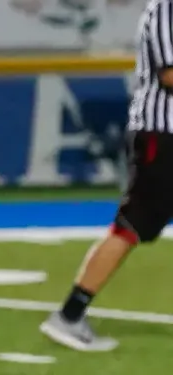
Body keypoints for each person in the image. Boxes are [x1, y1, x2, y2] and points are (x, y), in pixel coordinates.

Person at [42, 0, 173, 352]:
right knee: (131, 226)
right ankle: (69, 315)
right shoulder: (165, 9)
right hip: (162, 135)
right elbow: (169, 74)